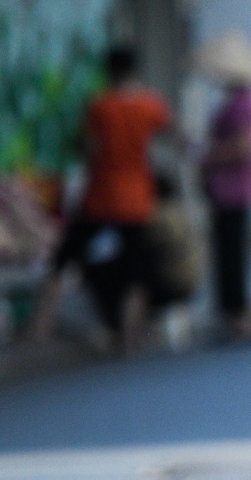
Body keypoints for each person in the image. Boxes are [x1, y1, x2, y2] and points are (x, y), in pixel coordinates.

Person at [30, 44, 172, 353]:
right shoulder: (151, 105)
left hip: (101, 195)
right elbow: (171, 135)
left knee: (62, 259)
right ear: (135, 69)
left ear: (109, 71)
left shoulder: (100, 106)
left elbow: (85, 147)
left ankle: (40, 329)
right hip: (136, 198)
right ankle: (130, 339)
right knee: (136, 270)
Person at [197, 33, 251, 343]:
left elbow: (242, 148)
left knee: (232, 255)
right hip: (231, 188)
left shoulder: (240, 106)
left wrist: (207, 154)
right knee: (230, 254)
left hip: (232, 189)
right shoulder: (242, 103)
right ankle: (235, 316)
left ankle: (240, 317)